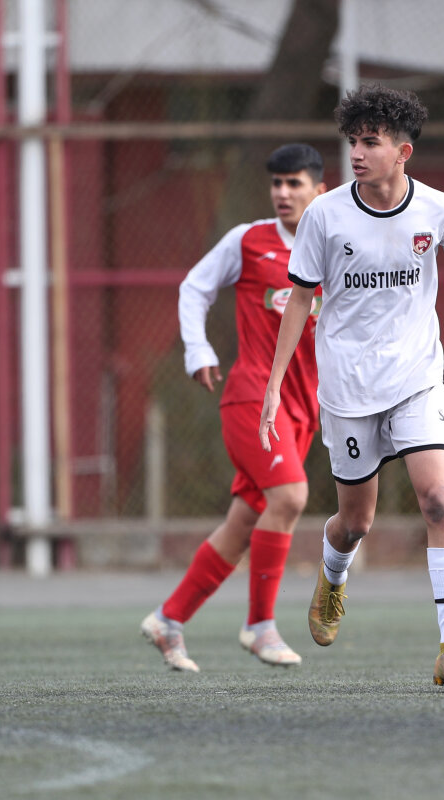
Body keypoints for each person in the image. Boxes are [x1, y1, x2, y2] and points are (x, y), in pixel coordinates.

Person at [258, 85, 444, 692]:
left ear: (403, 152)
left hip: (416, 378)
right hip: (347, 386)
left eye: (370, 142)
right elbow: (300, 299)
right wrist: (275, 384)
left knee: (438, 502)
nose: (356, 152)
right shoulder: (324, 215)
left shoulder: (441, 211)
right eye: (352, 141)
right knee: (356, 521)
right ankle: (333, 575)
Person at [140, 143, 327, 672]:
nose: (283, 193)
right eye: (276, 183)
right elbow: (194, 287)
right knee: (290, 496)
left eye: (294, 183)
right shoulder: (249, 240)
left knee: (246, 522)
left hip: (303, 409)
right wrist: (197, 349)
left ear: (319, 190)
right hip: (252, 396)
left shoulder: (336, 247)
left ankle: (169, 618)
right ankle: (260, 626)